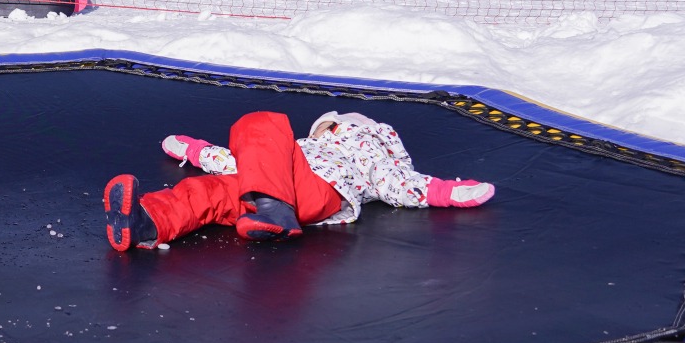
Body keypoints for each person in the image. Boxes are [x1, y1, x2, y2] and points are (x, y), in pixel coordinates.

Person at [102, 110, 494, 251]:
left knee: (261, 122)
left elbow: (396, 183)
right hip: (266, 194)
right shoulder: (293, 148)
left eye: (328, 126)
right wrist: (193, 150)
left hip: (316, 191)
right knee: (211, 192)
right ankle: (146, 222)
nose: (321, 131)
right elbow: (236, 158)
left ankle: (276, 207)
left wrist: (446, 191)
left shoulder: (361, 144)